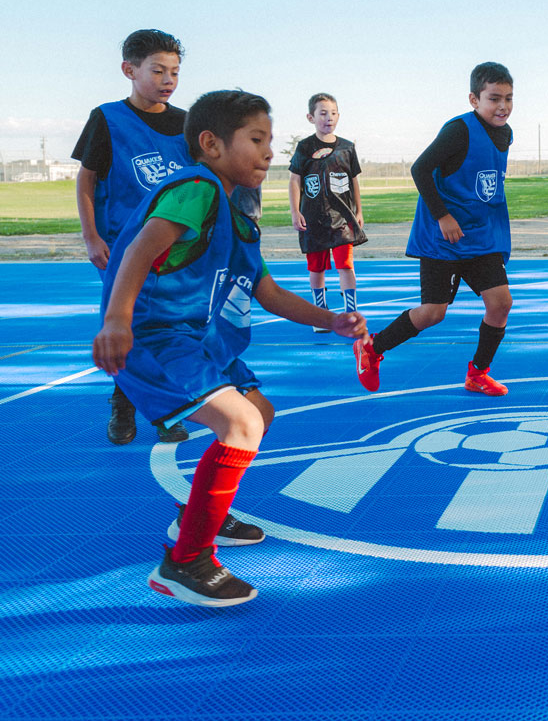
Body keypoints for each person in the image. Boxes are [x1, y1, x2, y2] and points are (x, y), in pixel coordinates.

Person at [91, 90, 368, 606]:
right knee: (240, 423)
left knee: (258, 411)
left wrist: (332, 319)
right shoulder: (196, 188)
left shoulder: (236, 218)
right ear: (211, 143)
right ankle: (184, 563)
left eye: (269, 140)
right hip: (156, 338)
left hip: (195, 339)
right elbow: (139, 248)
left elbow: (269, 293)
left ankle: (197, 515)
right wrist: (116, 321)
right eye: (256, 140)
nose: (268, 152)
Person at [352, 62, 515, 396]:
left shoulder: (505, 133)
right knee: (433, 313)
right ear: (474, 99)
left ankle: (478, 373)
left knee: (500, 303)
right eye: (494, 98)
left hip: (479, 238)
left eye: (509, 98)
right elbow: (421, 169)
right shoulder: (458, 130)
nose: (503, 106)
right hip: (444, 239)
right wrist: (443, 215)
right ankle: (372, 347)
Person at [72, 29, 192, 445]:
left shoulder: (186, 125)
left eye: (175, 72)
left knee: (168, 329)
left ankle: (164, 409)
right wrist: (91, 237)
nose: (168, 80)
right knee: (129, 326)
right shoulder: (107, 118)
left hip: (175, 250)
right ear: (129, 70)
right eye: (158, 70)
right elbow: (86, 182)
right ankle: (127, 404)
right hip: (123, 248)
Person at [289, 93, 367, 332]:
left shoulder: (347, 147)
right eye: (322, 113)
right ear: (311, 117)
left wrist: (358, 210)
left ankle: (350, 311)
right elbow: (294, 180)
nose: (328, 118)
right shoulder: (305, 147)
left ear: (338, 116)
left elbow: (354, 181)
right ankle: (320, 314)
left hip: (343, 218)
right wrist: (295, 211)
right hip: (313, 218)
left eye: (333, 113)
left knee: (346, 265)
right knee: (316, 267)